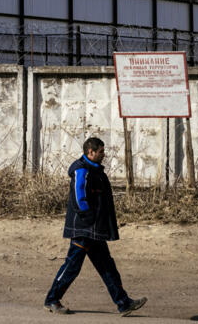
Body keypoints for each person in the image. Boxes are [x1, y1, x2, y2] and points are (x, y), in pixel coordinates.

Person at [43, 136, 147, 317]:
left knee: (107, 266)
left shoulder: (96, 170)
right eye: (100, 152)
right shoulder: (82, 170)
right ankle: (52, 299)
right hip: (83, 229)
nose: (103, 155)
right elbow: (79, 196)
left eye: (103, 151)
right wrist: (88, 217)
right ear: (90, 152)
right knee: (72, 266)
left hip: (94, 230)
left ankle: (123, 303)